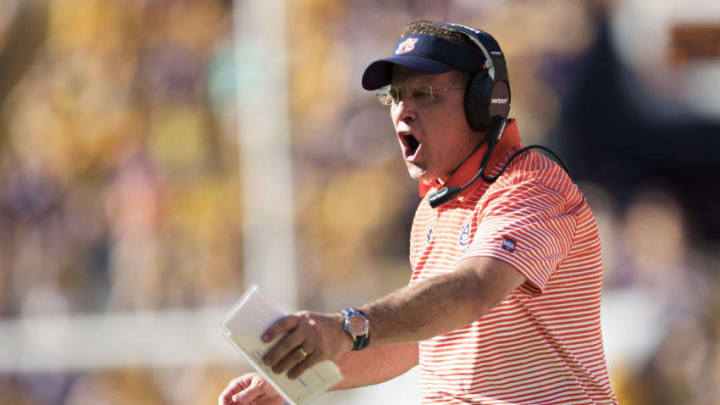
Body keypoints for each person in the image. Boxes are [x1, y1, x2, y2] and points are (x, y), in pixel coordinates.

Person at [219, 20, 618, 404]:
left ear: (485, 102)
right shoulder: (434, 208)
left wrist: (347, 327)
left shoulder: (531, 185)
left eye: (424, 94)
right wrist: (293, 375)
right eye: (395, 96)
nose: (402, 111)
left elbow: (473, 289)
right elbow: (413, 340)